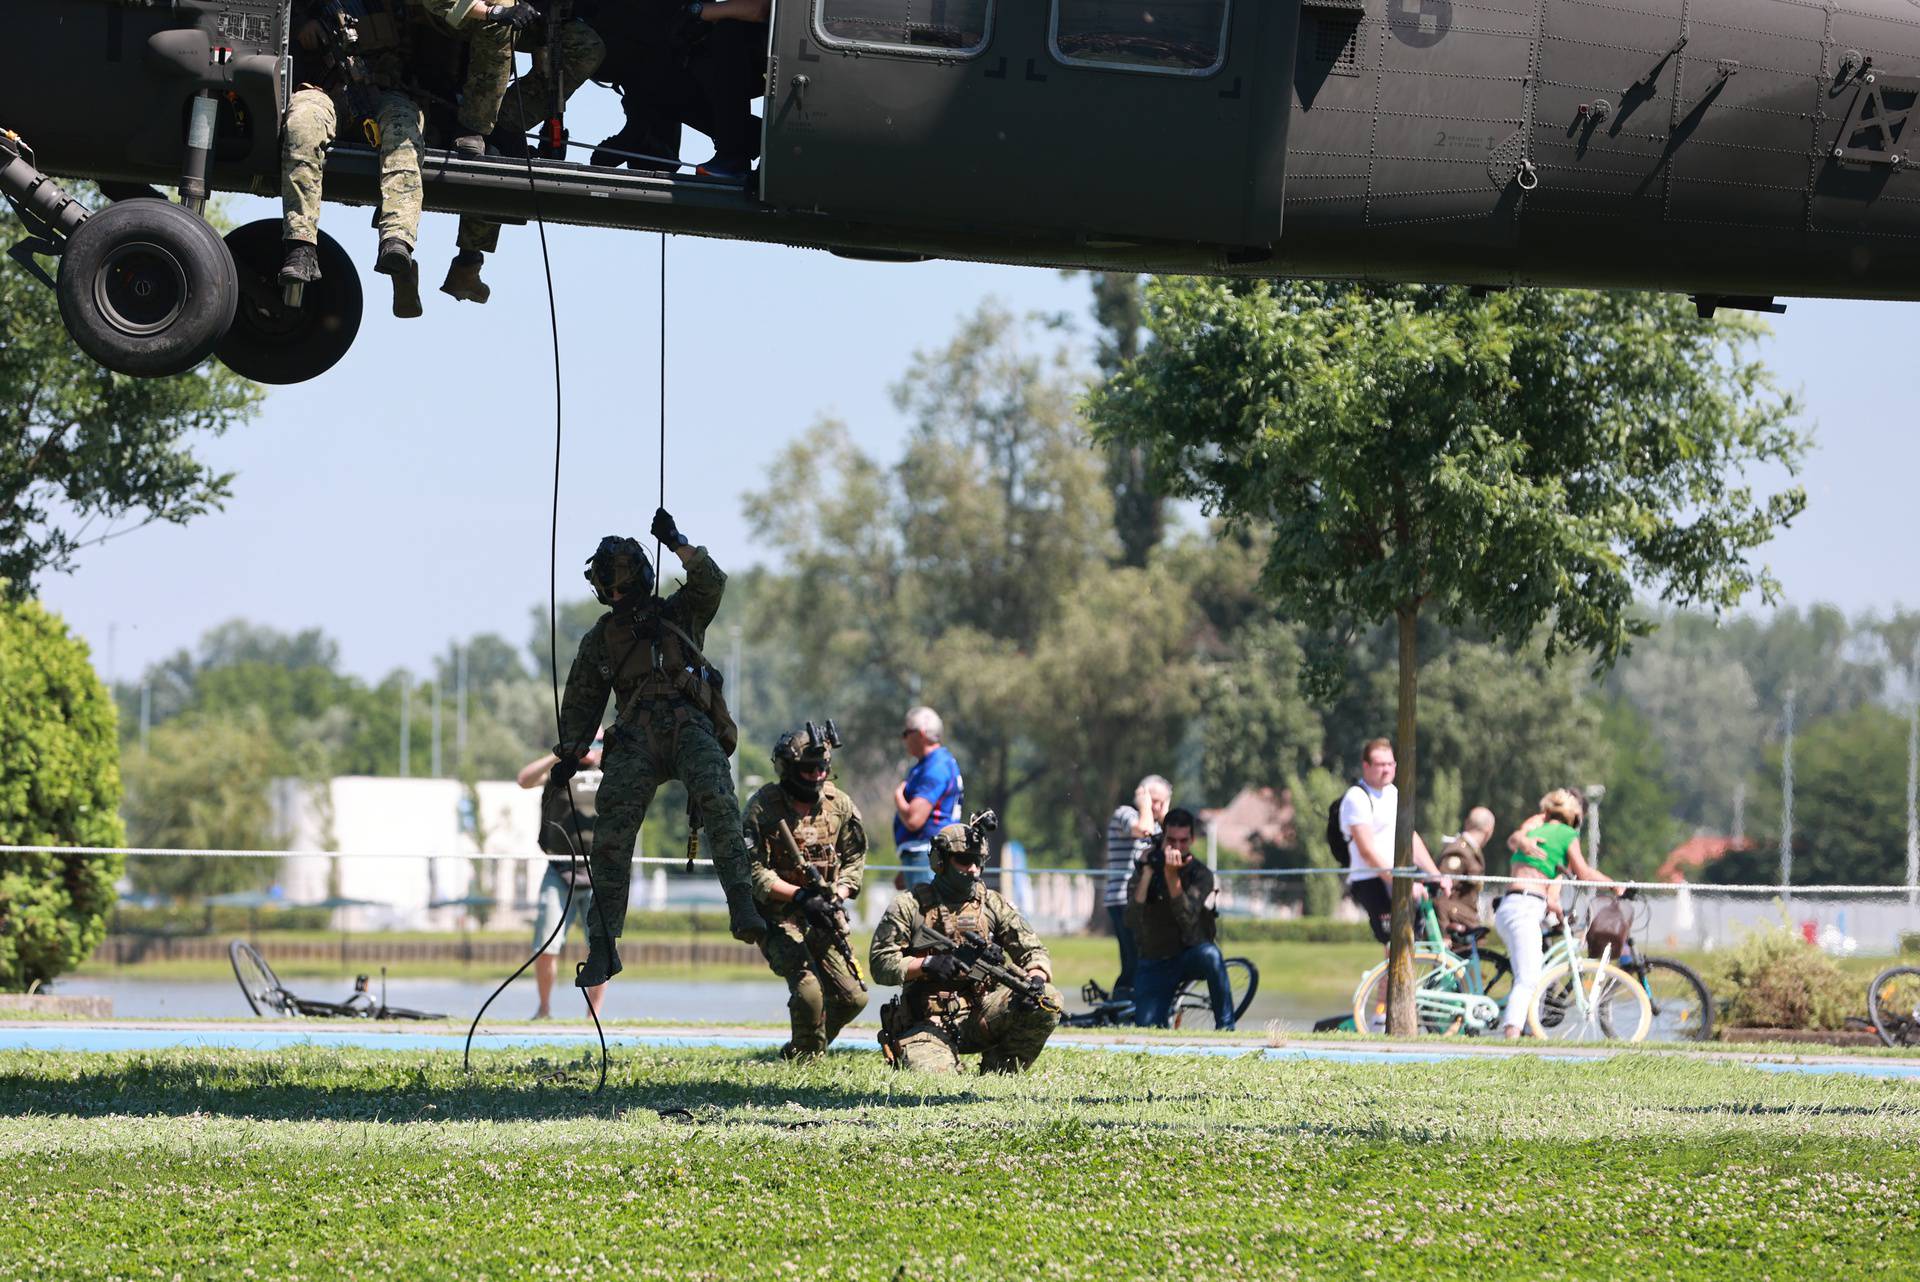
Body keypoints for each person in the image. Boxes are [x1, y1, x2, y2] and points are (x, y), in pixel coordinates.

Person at [552, 507, 763, 989]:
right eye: (612, 589)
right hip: (635, 738)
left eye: (625, 584)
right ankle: (603, 944)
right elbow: (583, 700)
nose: (620, 595)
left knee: (718, 799)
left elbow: (711, 581)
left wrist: (677, 542)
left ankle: (742, 904)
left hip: (689, 724)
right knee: (611, 835)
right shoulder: (600, 639)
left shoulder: (678, 613)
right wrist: (569, 752)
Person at [423, 0, 608, 303]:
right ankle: (478, 126)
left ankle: (502, 118)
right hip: (462, 12)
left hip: (517, 16)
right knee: (491, 150)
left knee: (586, 46)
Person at [279, 0, 433, 318]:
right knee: (302, 123)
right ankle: (301, 246)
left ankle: (398, 244)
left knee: (402, 134)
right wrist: (302, 27)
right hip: (324, 91)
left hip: (383, 95)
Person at [869, 820, 1061, 1074]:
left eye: (978, 861)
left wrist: (1035, 979)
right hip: (926, 1022)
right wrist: (927, 965)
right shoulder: (910, 905)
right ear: (941, 860)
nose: (973, 869)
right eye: (964, 860)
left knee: (1046, 999)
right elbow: (880, 964)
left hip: (980, 1015)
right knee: (937, 1085)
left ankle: (999, 1073)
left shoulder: (991, 903)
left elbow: (1033, 950)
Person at [740, 724, 868, 1059]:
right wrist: (798, 897)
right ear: (787, 768)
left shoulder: (838, 805)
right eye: (807, 770)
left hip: (823, 914)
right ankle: (806, 1062)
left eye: (822, 770)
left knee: (853, 997)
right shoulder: (763, 807)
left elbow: (855, 859)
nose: (816, 776)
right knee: (809, 989)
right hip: (777, 916)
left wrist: (837, 895)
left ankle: (802, 1048)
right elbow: (752, 871)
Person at [587, 0, 769, 178]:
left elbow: (761, 8)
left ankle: (735, 153)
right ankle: (645, 138)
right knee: (658, 71)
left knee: (727, 31)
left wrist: (696, 11)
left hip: (770, 57)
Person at [1494, 788, 1621, 1039]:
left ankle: (1530, 1030)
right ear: (1574, 815)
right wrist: (1616, 885)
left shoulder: (1535, 828)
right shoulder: (1566, 834)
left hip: (1513, 904)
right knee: (1528, 978)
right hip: (1526, 906)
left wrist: (1554, 903)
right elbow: (1583, 873)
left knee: (1533, 971)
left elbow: (1529, 855)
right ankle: (1511, 1035)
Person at [515, 735, 609, 1019]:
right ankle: (544, 1009)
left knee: (601, 947)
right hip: (559, 870)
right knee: (546, 943)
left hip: (598, 871)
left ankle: (594, 1017)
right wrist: (559, 755)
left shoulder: (612, 770)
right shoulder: (559, 770)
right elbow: (524, 780)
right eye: (586, 740)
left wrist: (610, 756)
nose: (590, 747)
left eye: (598, 741)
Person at [1126, 809, 1235, 1030]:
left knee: (1211, 955)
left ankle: (1226, 1027)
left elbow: (1187, 919)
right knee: (1146, 1029)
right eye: (1171, 840)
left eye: (1183, 841)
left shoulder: (1201, 874)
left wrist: (1172, 876)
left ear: (1192, 840)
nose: (1176, 847)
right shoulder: (1148, 867)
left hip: (1189, 954)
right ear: (1163, 838)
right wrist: (1148, 872)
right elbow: (1131, 920)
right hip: (1155, 960)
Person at [1342, 737, 1444, 945]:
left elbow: (1409, 838)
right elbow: (1367, 852)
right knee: (1398, 945)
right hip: (1371, 880)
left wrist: (1435, 875)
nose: (1387, 769)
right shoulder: (1357, 797)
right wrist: (1403, 884)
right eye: (1380, 764)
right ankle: (1390, 979)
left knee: (1413, 943)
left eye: (1391, 764)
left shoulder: (1393, 793)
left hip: (1396, 878)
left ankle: (1394, 979)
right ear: (1366, 766)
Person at [1104, 775, 1170, 1000]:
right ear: (1142, 796)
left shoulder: (1159, 826)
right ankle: (1122, 1007)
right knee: (1133, 959)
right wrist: (1144, 805)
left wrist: (1164, 812)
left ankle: (1139, 1006)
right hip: (1123, 899)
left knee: (1146, 957)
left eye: (1163, 802)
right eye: (1154, 800)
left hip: (1147, 901)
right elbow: (1143, 829)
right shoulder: (1126, 814)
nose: (1157, 806)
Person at [892, 706, 962, 890]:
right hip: (925, 854)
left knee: (925, 917)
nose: (904, 738)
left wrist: (898, 797)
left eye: (907, 733)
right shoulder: (932, 763)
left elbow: (914, 820)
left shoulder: (935, 766)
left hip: (927, 854)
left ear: (921, 734)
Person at [1434, 806, 1495, 936]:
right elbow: (1441, 894)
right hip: (1456, 928)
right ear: (1489, 830)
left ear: (1467, 823)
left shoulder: (1471, 851)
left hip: (1466, 923)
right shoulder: (1460, 851)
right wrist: (1443, 933)